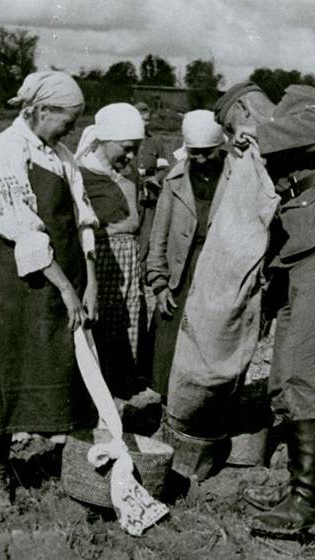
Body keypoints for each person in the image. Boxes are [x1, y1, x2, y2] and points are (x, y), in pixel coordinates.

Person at [213, 82, 315, 539]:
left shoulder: (296, 99)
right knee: (285, 372)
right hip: (301, 250)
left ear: (246, 108)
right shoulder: (269, 136)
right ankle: (297, 489)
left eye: (234, 125)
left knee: (304, 366)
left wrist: (261, 136)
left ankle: (310, 505)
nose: (237, 135)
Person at [0, 71, 99, 505]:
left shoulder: (60, 153)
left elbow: (81, 218)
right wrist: (64, 288)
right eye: (69, 119)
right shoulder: (5, 151)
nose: (73, 130)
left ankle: (77, 469)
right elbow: (25, 233)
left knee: (67, 369)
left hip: (69, 279)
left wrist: (90, 280)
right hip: (23, 282)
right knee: (7, 371)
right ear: (42, 111)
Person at [145, 110, 227, 405]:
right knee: (169, 342)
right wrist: (159, 282)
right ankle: (167, 405)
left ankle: (202, 407)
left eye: (208, 153)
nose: (202, 160)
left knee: (209, 342)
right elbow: (159, 234)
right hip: (181, 270)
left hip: (216, 271)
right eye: (195, 154)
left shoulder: (234, 176)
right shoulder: (175, 178)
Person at [75, 103, 148, 398]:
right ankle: (95, 396)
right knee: (100, 326)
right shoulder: (82, 173)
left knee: (127, 323)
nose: (131, 156)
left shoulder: (129, 175)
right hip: (101, 259)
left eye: (136, 149)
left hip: (129, 258)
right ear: (105, 140)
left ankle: (121, 391)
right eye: (127, 148)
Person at [132, 101, 170, 263]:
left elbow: (163, 168)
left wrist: (155, 178)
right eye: (141, 120)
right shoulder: (126, 140)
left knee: (148, 233)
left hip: (150, 196)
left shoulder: (156, 142)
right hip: (131, 194)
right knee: (131, 230)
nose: (144, 124)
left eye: (147, 120)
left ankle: (142, 269)